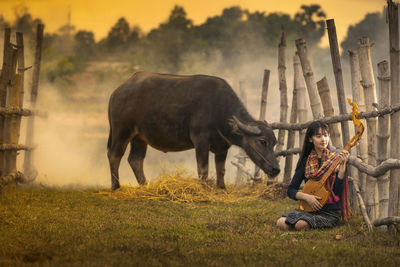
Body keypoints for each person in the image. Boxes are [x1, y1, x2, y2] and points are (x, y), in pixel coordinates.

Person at [276, 121, 349, 231]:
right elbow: (291, 190)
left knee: (300, 225)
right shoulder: (305, 162)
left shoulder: (335, 160)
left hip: (329, 212)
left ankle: (305, 224)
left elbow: (337, 191)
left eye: (325, 135)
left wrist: (342, 169)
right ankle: (303, 221)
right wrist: (307, 197)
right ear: (311, 139)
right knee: (281, 223)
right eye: (318, 136)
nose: (323, 139)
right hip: (308, 209)